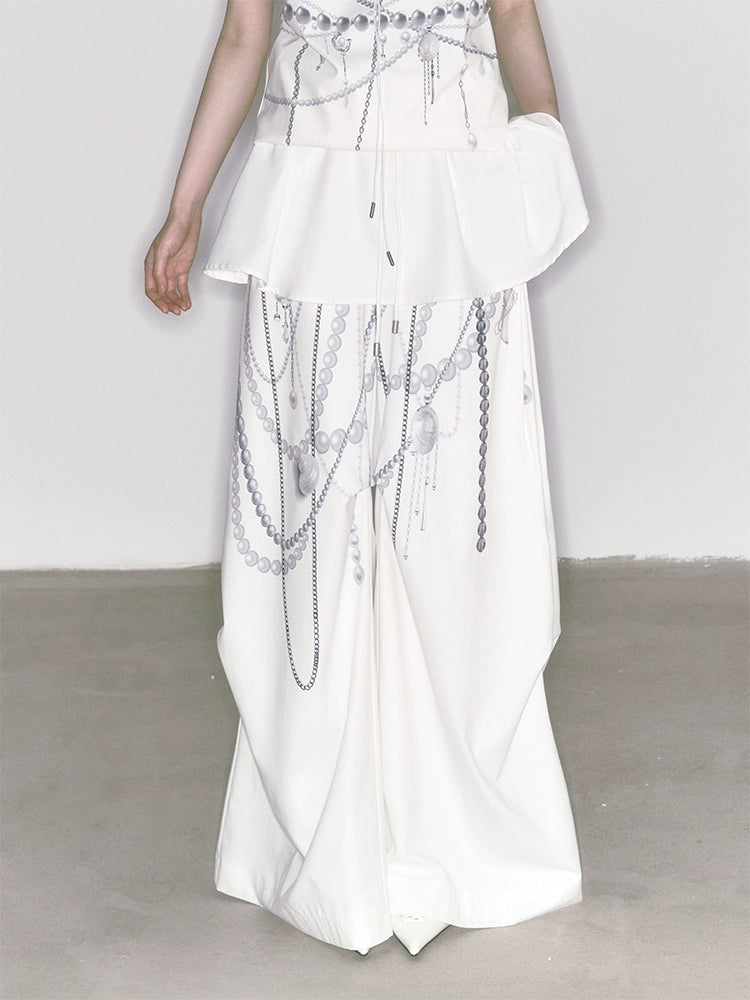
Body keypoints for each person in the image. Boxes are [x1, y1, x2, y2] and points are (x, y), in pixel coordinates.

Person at [145, 0, 589, 956]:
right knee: (374, 523)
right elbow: (254, 32)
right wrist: (185, 206)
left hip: (400, 191)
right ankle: (381, 828)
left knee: (391, 522)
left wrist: (542, 139)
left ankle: (382, 830)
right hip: (379, 193)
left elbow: (249, 36)